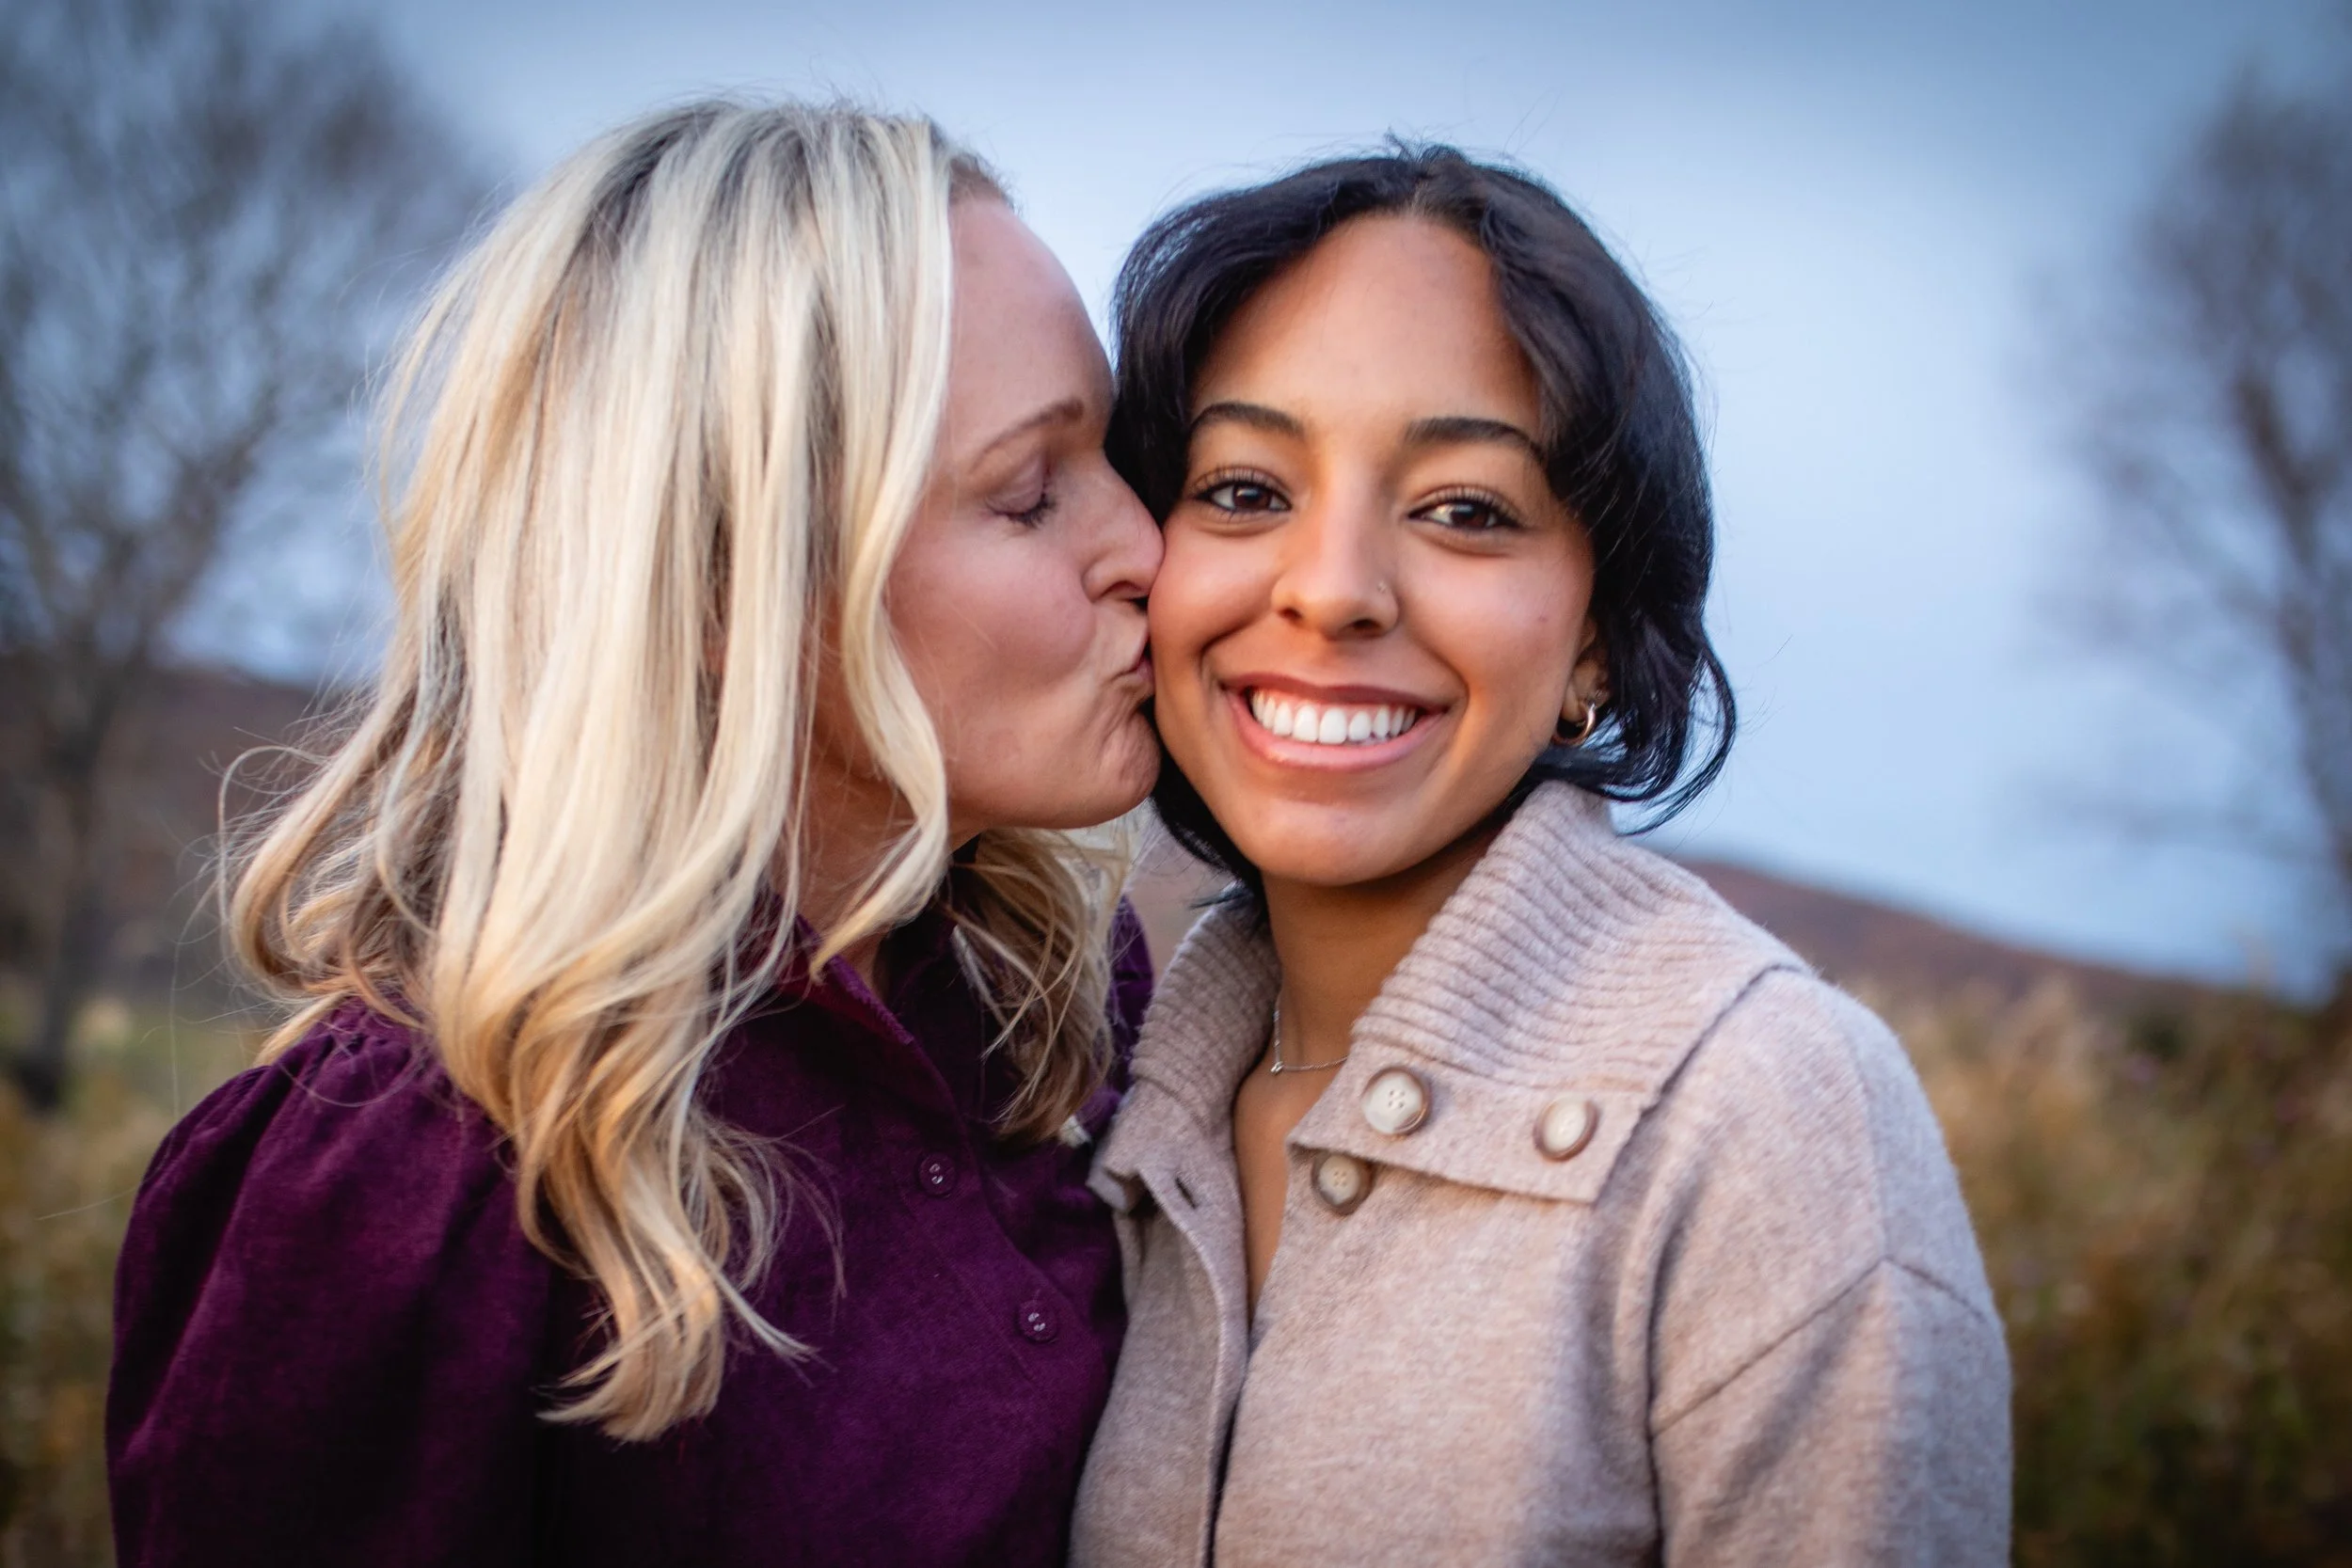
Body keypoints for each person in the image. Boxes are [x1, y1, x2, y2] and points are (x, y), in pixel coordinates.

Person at [107, 101, 1163, 1566]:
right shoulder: (411, 1175)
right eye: (1033, 493)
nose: (1148, 549)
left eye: (1116, 454)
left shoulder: (1081, 1010)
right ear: (733, 587)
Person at [1072, 146, 2010, 1566]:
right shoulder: (1093, 1099)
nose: (1329, 589)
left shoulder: (1768, 1116)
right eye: (1248, 489)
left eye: (1465, 509)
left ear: (1592, 634)